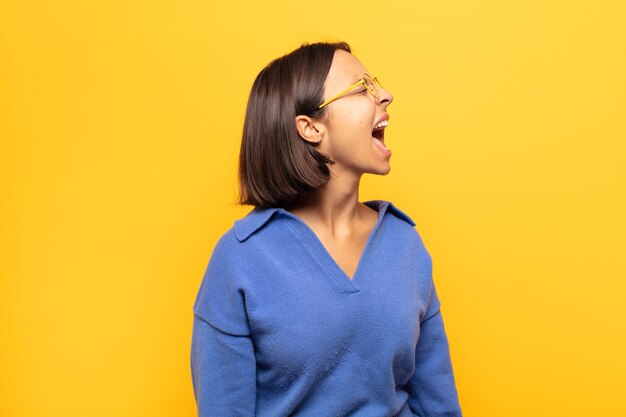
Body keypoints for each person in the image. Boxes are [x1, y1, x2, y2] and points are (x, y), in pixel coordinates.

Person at [190, 41, 463, 417]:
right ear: (310, 127)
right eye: (362, 87)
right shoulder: (241, 258)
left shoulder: (405, 243)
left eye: (376, 84)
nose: (385, 95)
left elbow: (439, 402)